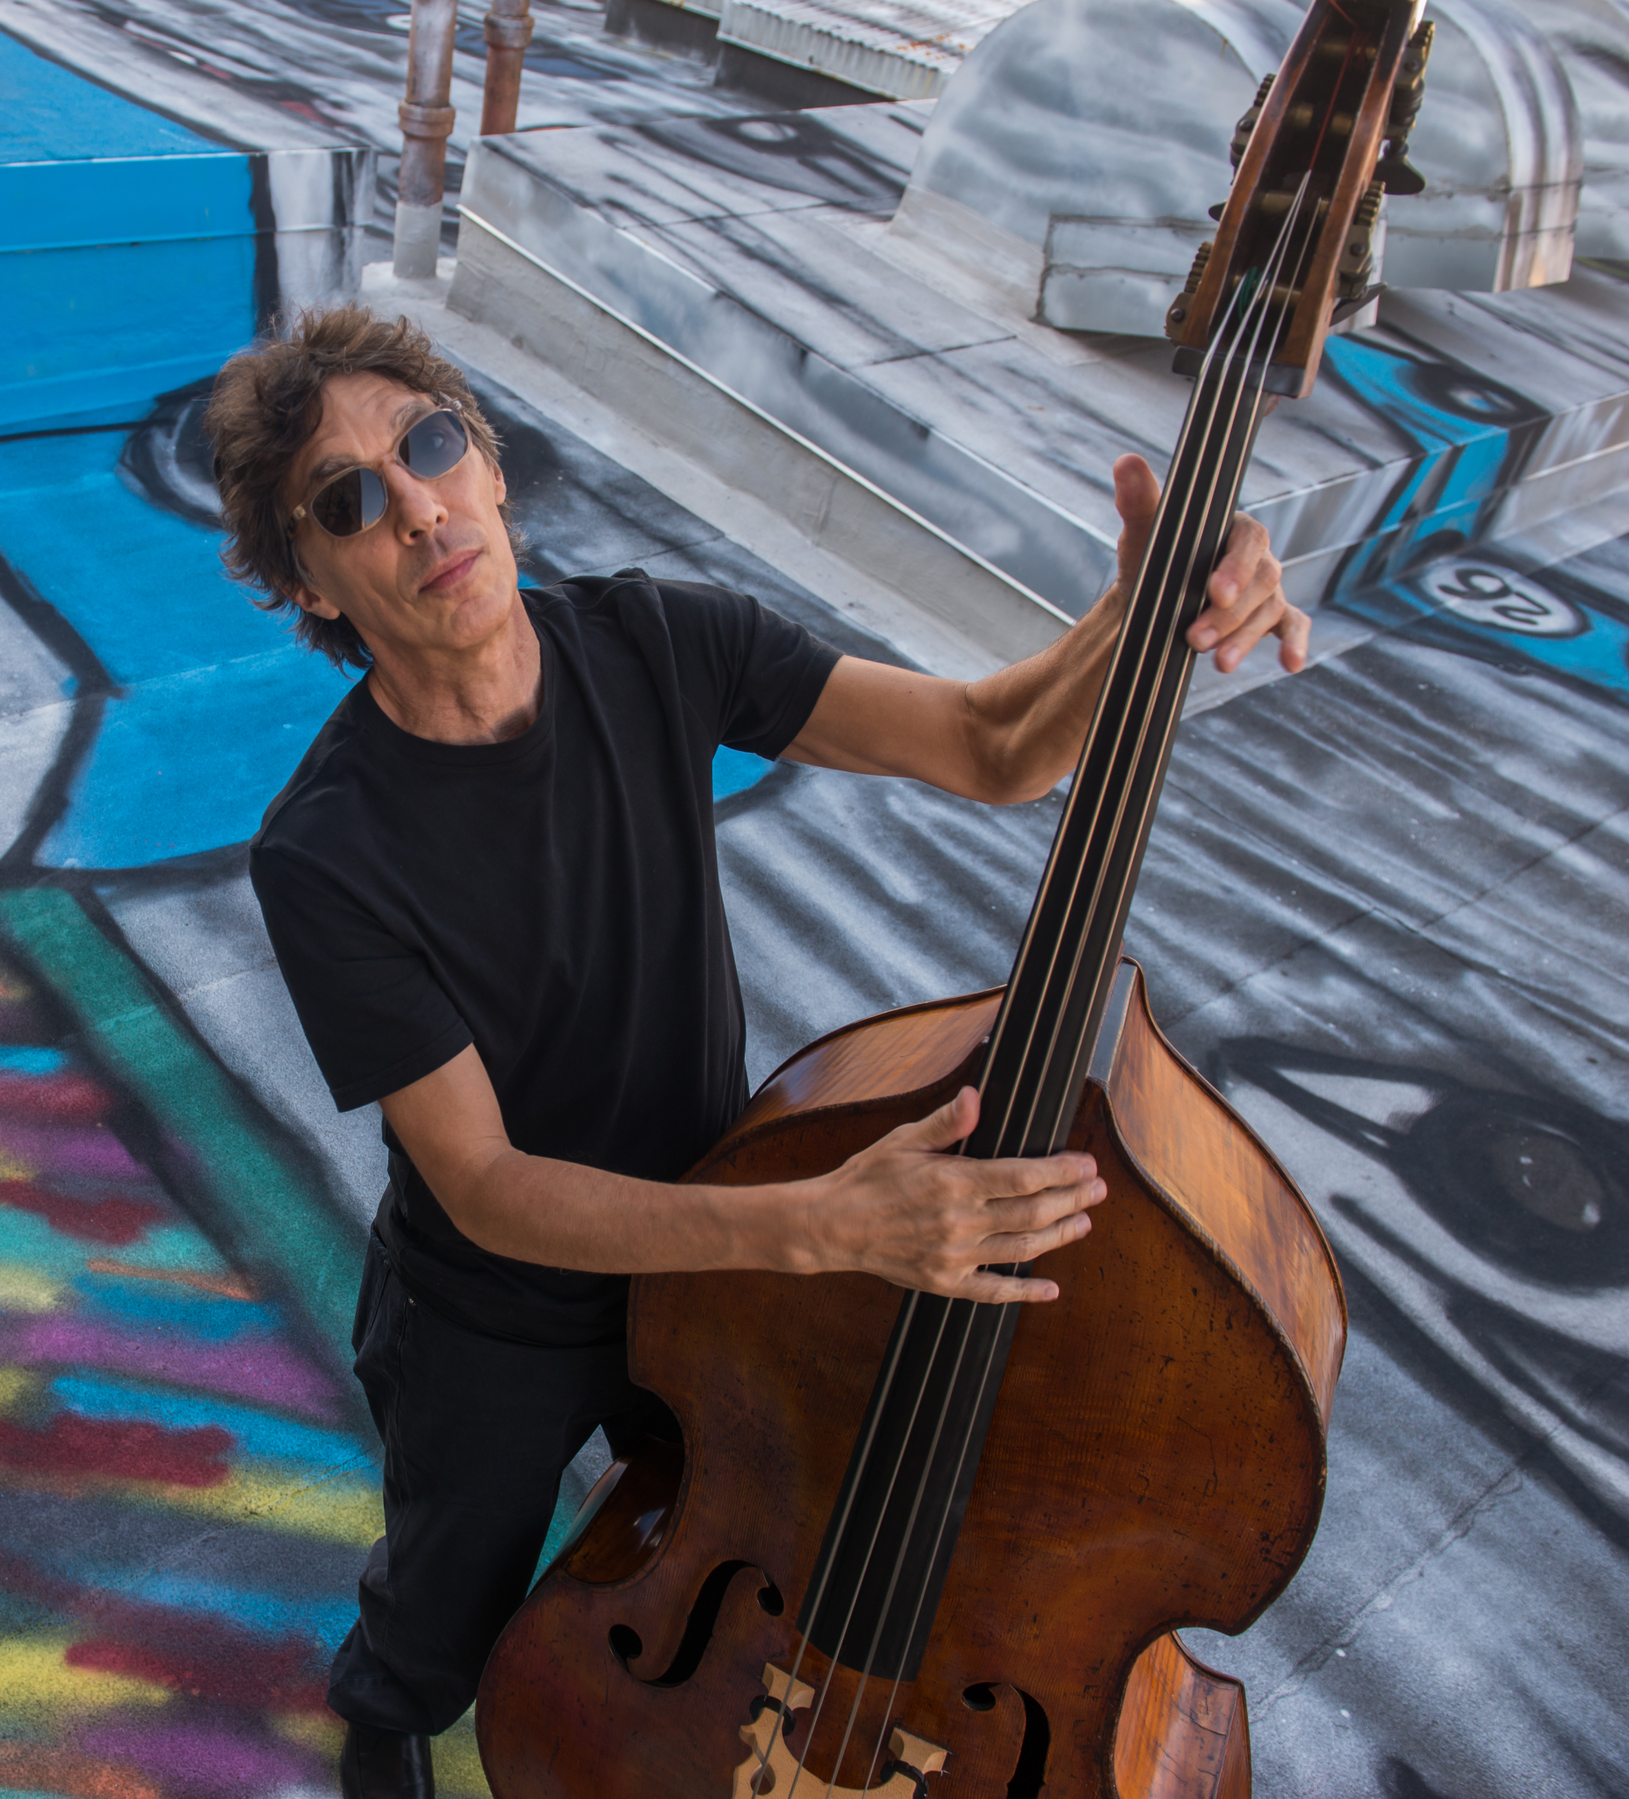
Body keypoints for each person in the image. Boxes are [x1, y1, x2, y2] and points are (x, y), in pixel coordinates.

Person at [206, 305, 1305, 1799]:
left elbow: (994, 744)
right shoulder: (325, 853)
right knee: (450, 1609)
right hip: (501, 1318)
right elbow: (485, 1184)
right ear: (315, 592)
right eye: (345, 503)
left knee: (724, 1549)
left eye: (428, 445)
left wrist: (1149, 601)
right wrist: (824, 1224)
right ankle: (383, 1707)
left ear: (493, 465)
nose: (412, 505)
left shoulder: (660, 641)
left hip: (725, 1272)